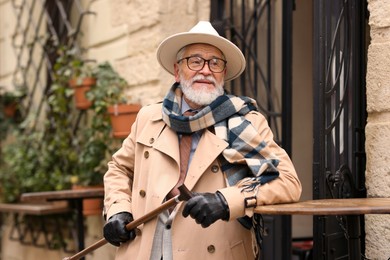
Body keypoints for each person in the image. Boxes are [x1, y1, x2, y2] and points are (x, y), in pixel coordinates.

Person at [102, 21, 302, 260]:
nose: (206, 70)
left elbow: (288, 182)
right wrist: (118, 210)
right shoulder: (148, 117)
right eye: (195, 61)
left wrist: (227, 200)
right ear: (177, 71)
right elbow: (119, 169)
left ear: (223, 74)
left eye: (215, 63)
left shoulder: (248, 122)